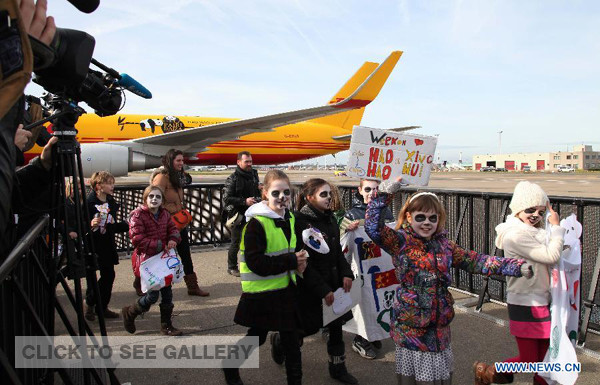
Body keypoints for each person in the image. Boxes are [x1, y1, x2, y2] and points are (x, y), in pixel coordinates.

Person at [365, 181, 532, 385]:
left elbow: (477, 261)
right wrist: (383, 194)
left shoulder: (446, 246)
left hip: (440, 327)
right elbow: (373, 228)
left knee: (440, 378)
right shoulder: (400, 242)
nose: (427, 222)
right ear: (409, 217)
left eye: (432, 218)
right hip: (412, 328)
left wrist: (516, 266)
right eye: (420, 217)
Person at [473, 181, 564, 385]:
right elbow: (550, 256)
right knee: (531, 360)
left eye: (541, 212)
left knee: (545, 360)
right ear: (518, 210)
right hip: (525, 303)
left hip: (542, 300)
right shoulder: (515, 235)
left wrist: (567, 245)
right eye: (530, 210)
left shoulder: (536, 233)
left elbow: (553, 253)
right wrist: (557, 228)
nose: (536, 216)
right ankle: (490, 371)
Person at [224, 170, 307, 385]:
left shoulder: (288, 218)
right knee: (257, 336)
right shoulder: (256, 224)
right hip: (263, 293)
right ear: (265, 193)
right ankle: (231, 365)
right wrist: (291, 261)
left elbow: (291, 249)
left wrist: (301, 260)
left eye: (286, 192)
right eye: (276, 192)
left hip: (286, 289)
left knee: (292, 340)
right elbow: (256, 263)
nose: (282, 197)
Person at [291, 178, 358, 384]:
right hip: (312, 288)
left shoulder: (329, 219)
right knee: (308, 328)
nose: (329, 198)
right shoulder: (300, 222)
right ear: (309, 197)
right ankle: (281, 343)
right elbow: (304, 263)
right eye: (323, 194)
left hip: (334, 284)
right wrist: (322, 289)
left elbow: (338, 252)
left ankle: (338, 369)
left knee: (336, 328)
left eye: (329, 194)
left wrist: (347, 273)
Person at [342, 179, 394, 359]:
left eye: (376, 189)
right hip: (362, 269)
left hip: (382, 268)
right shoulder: (351, 213)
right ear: (360, 190)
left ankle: (373, 334)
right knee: (363, 303)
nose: (372, 192)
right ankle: (361, 338)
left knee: (380, 303)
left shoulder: (386, 211)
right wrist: (346, 228)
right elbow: (340, 239)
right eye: (368, 189)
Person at [122, 185, 183, 336]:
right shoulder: (137, 215)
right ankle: (131, 312)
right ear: (145, 199)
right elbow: (137, 239)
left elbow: (173, 229)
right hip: (147, 260)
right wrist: (161, 245)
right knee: (153, 296)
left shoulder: (164, 214)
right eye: (151, 196)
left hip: (163, 260)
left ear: (162, 200)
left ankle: (166, 326)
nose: (154, 199)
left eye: (158, 197)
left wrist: (173, 239)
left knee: (167, 294)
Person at [151, 148, 209, 296]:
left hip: (178, 223)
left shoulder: (176, 177)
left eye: (182, 160)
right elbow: (153, 200)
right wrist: (165, 217)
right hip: (166, 223)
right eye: (178, 160)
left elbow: (188, 180)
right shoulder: (162, 178)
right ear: (170, 161)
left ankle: (192, 286)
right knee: (159, 256)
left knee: (185, 254)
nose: (181, 163)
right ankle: (141, 281)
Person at [85, 171, 129, 321]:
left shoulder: (110, 202)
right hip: (92, 244)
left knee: (109, 276)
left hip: (107, 244)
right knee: (92, 276)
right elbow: (78, 224)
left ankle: (101, 307)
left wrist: (128, 225)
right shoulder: (88, 203)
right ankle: (90, 303)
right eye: (109, 183)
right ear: (99, 185)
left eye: (113, 183)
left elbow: (113, 226)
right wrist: (90, 224)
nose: (112, 186)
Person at [223, 151, 261, 277]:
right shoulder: (232, 178)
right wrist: (244, 201)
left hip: (254, 213)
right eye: (247, 161)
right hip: (238, 215)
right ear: (238, 162)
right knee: (236, 242)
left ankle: (252, 264)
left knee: (253, 240)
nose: (250, 164)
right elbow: (227, 198)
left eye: (251, 161)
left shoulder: (254, 175)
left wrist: (259, 191)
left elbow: (255, 190)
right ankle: (232, 267)